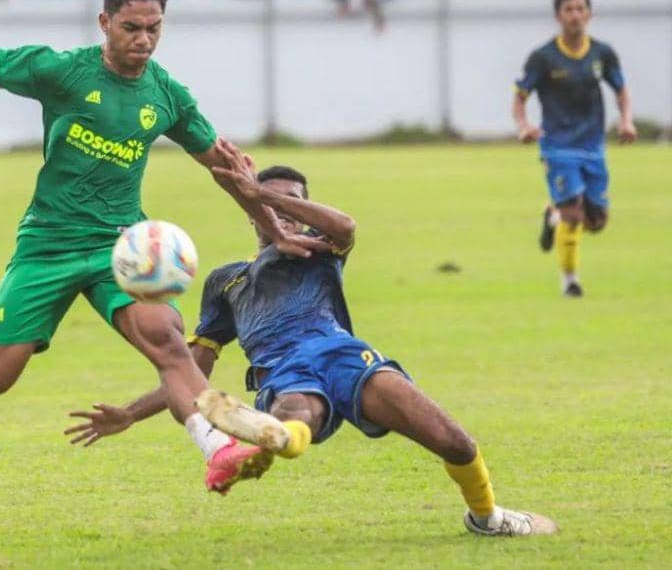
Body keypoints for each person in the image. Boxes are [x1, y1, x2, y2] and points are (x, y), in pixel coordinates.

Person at [0, 0, 325, 489]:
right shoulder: (61, 71)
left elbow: (224, 166)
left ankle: (218, 447)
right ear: (104, 22)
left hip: (121, 248)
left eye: (154, 27)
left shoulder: (166, 95)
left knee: (168, 341)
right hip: (48, 244)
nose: (144, 39)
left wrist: (273, 228)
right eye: (131, 27)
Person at [66, 149, 558, 535]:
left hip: (344, 355)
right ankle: (271, 435)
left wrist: (271, 202)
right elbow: (191, 370)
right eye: (267, 199)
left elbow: (345, 225)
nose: (289, 214)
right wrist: (131, 413)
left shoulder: (317, 250)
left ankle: (488, 518)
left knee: (454, 441)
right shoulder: (226, 282)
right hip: (282, 369)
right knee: (295, 416)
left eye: (296, 201)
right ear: (249, 213)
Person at [513, 0, 635, 297]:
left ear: (589, 14)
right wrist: (524, 125)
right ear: (558, 16)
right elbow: (520, 97)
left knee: (596, 222)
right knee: (574, 214)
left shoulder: (602, 54)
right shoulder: (543, 58)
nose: (576, 15)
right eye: (569, 10)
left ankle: (552, 215)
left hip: (592, 146)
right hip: (557, 146)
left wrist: (626, 120)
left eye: (581, 9)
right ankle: (570, 282)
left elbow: (621, 90)